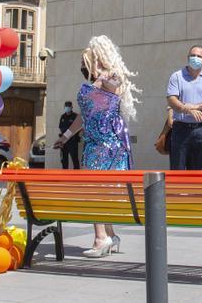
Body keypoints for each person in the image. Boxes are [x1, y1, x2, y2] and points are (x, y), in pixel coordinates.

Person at [56, 35, 142, 258]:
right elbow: (83, 117)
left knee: (95, 190)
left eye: (88, 60)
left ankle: (100, 237)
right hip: (93, 144)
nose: (84, 65)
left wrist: (107, 75)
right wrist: (65, 136)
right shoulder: (91, 84)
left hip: (108, 144)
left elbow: (117, 84)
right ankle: (110, 235)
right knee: (99, 191)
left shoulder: (110, 80)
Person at [166, 45, 202, 170]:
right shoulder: (177, 76)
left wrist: (196, 106)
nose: (195, 58)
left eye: (199, 56)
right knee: (177, 172)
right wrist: (187, 109)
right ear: (188, 57)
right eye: (192, 55)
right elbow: (171, 100)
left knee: (200, 174)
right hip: (181, 129)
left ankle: (198, 191)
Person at [56, 101, 81, 169]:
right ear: (64, 107)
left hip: (72, 141)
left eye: (68, 106)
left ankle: (76, 175)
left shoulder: (75, 116)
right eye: (66, 106)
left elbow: (78, 128)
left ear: (71, 107)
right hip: (64, 141)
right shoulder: (63, 116)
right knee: (64, 159)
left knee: (74, 158)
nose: (67, 108)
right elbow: (61, 127)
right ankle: (64, 175)